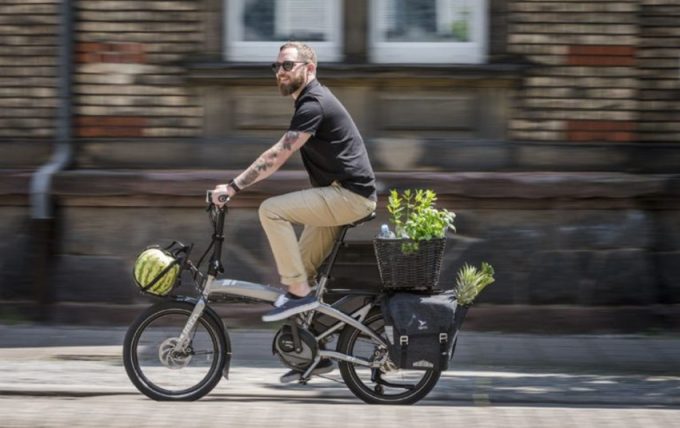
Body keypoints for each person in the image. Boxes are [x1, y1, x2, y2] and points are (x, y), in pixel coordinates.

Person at [211, 42, 377, 325]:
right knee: (299, 275)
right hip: (338, 196)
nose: (280, 71)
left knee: (271, 211)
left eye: (287, 65)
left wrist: (232, 187)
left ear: (309, 68)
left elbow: (277, 155)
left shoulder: (314, 103)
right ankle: (310, 344)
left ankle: (300, 294)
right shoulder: (309, 102)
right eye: (276, 66)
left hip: (349, 197)